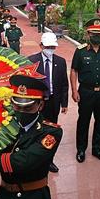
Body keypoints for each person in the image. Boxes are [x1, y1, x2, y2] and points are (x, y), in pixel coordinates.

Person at [71, 18, 100, 163]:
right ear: (88, 34)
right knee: (83, 121)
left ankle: (97, 148)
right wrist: (74, 90)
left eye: (99, 34)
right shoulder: (80, 51)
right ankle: (81, 149)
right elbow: (74, 71)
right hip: (86, 91)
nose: (96, 36)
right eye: (93, 33)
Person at [28, 32, 68, 173]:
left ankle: (49, 159)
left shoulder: (61, 62)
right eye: (48, 46)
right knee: (36, 130)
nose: (50, 49)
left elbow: (64, 84)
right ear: (41, 46)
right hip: (37, 103)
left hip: (53, 102)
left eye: (53, 47)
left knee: (51, 131)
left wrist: (64, 103)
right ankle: (34, 159)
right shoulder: (32, 61)